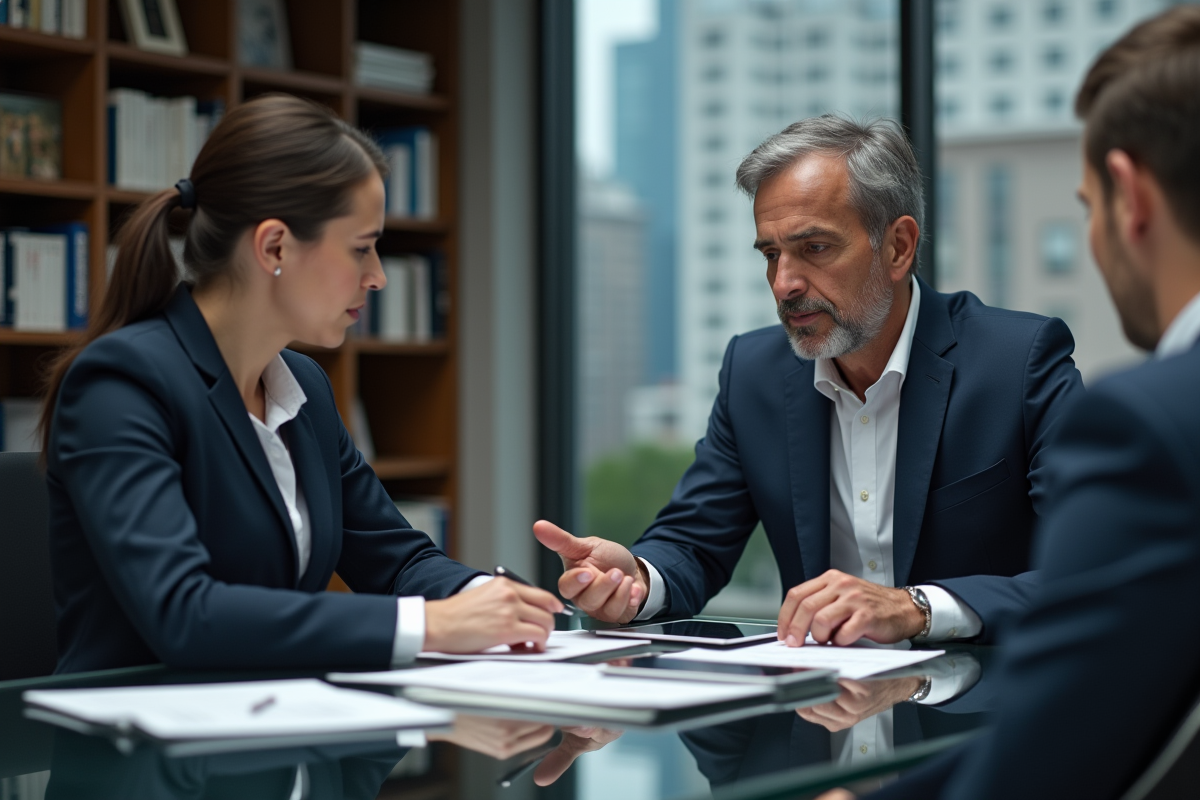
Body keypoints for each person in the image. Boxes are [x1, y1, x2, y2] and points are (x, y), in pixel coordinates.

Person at [817, 6, 1200, 799]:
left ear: (1129, 198)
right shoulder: (759, 371)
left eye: (1087, 207)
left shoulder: (1150, 428)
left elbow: (1046, 765)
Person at [42, 94, 563, 674]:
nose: (379, 277)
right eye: (361, 248)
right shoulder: (121, 384)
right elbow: (184, 614)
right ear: (275, 247)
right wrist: (430, 625)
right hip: (135, 752)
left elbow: (396, 560)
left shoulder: (304, 389)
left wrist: (483, 601)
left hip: (275, 732)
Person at [535, 116, 1083, 650]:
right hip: (817, 719)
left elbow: (1092, 565)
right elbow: (694, 542)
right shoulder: (753, 372)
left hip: (984, 717)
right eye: (771, 255)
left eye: (814, 248)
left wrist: (916, 608)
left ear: (898, 247)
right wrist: (635, 579)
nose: (784, 283)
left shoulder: (1019, 362)